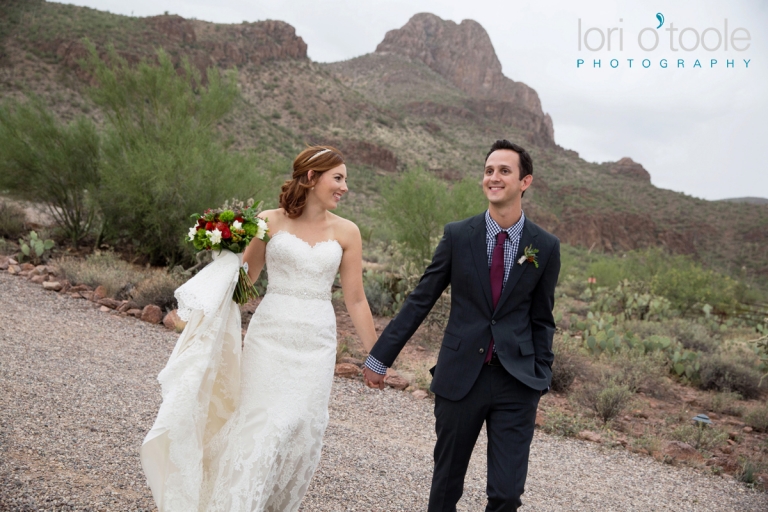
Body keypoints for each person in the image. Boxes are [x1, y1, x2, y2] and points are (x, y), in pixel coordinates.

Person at [141, 145, 379, 512]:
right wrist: (224, 261)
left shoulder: (348, 232)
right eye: (338, 178)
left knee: (300, 429)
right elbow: (247, 282)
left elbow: (357, 300)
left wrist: (377, 356)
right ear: (312, 177)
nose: (345, 187)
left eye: (345, 179)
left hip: (316, 342)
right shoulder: (270, 221)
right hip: (270, 336)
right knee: (263, 425)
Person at [363, 139, 561, 512]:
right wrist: (380, 357)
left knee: (506, 494)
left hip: (517, 382)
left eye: (504, 170)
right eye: (489, 170)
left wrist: (542, 375)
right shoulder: (458, 236)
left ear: (525, 182)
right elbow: (421, 299)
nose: (494, 177)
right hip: (460, 378)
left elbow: (542, 318)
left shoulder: (545, 247)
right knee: (446, 486)